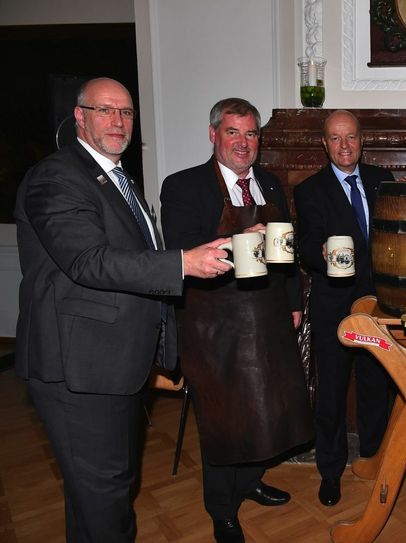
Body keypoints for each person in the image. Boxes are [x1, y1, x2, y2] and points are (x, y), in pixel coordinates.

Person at [14, 77, 231, 542]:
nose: (118, 121)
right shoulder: (56, 176)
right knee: (107, 494)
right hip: (79, 366)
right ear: (79, 117)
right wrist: (183, 262)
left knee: (95, 490)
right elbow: (87, 260)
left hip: (113, 362)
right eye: (105, 110)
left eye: (126, 112)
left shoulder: (116, 177)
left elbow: (132, 256)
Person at [161, 98, 313, 543]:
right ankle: (221, 509)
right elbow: (182, 249)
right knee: (224, 417)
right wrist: (234, 239)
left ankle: (250, 483)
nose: (243, 143)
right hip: (213, 320)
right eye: (233, 132)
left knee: (267, 405)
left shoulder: (268, 182)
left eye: (251, 134)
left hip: (266, 315)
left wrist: (293, 299)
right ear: (213, 135)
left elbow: (285, 251)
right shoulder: (184, 186)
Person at [293, 109, 393, 507]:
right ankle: (330, 471)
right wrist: (319, 256)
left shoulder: (381, 180)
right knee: (331, 394)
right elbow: (306, 247)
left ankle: (372, 458)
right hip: (333, 306)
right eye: (335, 138)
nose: (344, 145)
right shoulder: (309, 190)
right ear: (324, 143)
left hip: (379, 306)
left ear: (361, 139)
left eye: (350, 136)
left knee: (375, 387)